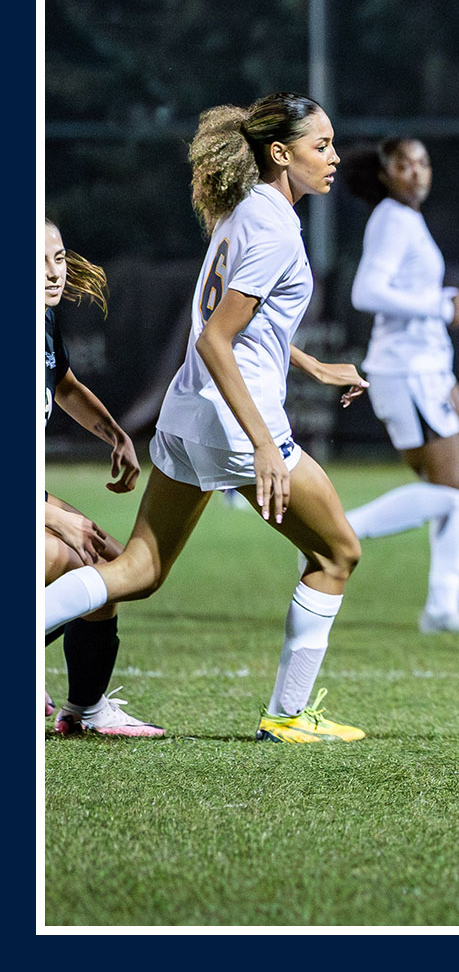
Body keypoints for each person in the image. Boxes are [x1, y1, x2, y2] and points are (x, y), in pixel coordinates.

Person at [41, 91, 373, 744]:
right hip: (236, 421)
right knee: (337, 551)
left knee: (139, 570)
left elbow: (241, 325)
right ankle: (285, 715)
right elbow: (217, 339)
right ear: (281, 153)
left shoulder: (245, 211)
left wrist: (312, 367)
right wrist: (265, 445)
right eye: (321, 145)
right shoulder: (275, 227)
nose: (334, 157)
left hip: (190, 412)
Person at [338, 137, 459, 635]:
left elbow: (406, 290)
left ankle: (441, 608)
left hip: (432, 367)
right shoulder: (391, 217)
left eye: (423, 163)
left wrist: (447, 296)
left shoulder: (405, 218)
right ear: (385, 174)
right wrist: (441, 307)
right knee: (447, 493)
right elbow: (367, 291)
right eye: (403, 165)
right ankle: (336, 531)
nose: (416, 172)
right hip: (406, 371)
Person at [42, 219, 158, 737]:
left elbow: (61, 382)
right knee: (64, 560)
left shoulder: (42, 323)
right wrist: (48, 516)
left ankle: (85, 709)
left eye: (59, 258)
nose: (52, 273)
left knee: (108, 567)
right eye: (38, 261)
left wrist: (113, 432)